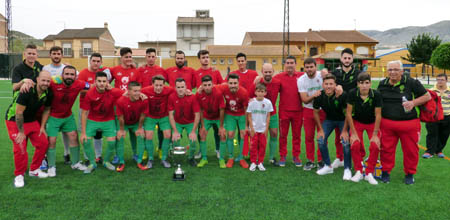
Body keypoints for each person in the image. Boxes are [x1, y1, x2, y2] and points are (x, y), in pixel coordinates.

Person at [377, 60, 431, 185]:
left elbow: (427, 96)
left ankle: (410, 174)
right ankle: (385, 172)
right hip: (387, 124)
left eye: (396, 69)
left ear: (402, 71)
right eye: (390, 70)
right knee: (386, 149)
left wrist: (412, 103)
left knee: (411, 151)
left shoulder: (411, 82)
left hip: (409, 124)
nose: (393, 72)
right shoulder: (382, 84)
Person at [5, 70, 53, 188]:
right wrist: (21, 132)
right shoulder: (26, 91)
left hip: (31, 120)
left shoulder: (48, 92)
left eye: (48, 81)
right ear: (37, 80)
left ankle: (34, 170)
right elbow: (19, 113)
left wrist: (42, 127)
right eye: (43, 80)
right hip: (14, 120)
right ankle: (19, 175)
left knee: (43, 143)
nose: (45, 83)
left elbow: (47, 109)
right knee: (20, 147)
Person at [39, 66, 89, 177]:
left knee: (73, 136)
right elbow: (40, 83)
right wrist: (26, 82)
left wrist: (107, 87)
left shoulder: (79, 84)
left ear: (75, 76)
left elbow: (91, 86)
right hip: (53, 116)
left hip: (68, 116)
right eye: (67, 74)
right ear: (62, 75)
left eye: (72, 74)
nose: (69, 76)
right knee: (51, 140)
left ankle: (75, 163)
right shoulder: (53, 82)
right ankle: (51, 166)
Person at [341, 72, 382, 185]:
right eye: (361, 83)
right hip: (357, 122)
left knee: (375, 145)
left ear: (370, 83)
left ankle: (369, 173)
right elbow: (348, 113)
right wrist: (353, 133)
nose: (364, 85)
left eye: (367, 83)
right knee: (355, 144)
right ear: (358, 84)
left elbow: (378, 115)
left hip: (372, 123)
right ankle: (359, 171)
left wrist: (375, 134)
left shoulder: (376, 94)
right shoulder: (353, 93)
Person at [80, 71, 125, 174]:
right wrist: (83, 132)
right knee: (85, 140)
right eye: (99, 81)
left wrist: (112, 88)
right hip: (93, 120)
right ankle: (92, 163)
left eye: (104, 81)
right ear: (95, 82)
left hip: (108, 120)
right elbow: (84, 113)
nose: (101, 83)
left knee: (112, 141)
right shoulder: (90, 93)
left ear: (107, 82)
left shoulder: (111, 91)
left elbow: (125, 93)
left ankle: (106, 161)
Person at [313, 74, 351, 179]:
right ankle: (327, 166)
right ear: (323, 85)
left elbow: (348, 113)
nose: (328, 86)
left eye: (331, 84)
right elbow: (315, 112)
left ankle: (347, 168)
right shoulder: (319, 96)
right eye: (326, 84)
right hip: (329, 120)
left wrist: (344, 131)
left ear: (335, 85)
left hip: (343, 120)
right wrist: (320, 129)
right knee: (321, 139)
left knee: (345, 141)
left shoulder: (342, 95)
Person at [78, 53, 112, 164]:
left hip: (99, 108)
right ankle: (88, 157)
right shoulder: (83, 73)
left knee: (98, 134)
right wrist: (93, 90)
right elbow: (79, 89)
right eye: (94, 61)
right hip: (85, 108)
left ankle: (98, 156)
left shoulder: (104, 73)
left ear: (101, 62)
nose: (96, 63)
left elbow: (108, 84)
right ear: (90, 61)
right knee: (86, 133)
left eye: (98, 61)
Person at [330, 48, 361, 168]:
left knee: (354, 136)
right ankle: (339, 158)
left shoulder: (358, 74)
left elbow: (361, 89)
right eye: (345, 58)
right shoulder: (334, 73)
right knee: (339, 136)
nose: (347, 60)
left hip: (353, 110)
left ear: (352, 59)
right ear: (341, 59)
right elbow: (328, 86)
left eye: (349, 58)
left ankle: (357, 159)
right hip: (338, 110)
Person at [42, 46, 71, 166]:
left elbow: (76, 77)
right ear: (50, 55)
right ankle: (45, 156)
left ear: (61, 55)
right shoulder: (45, 68)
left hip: (64, 104)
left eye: (58, 54)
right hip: (49, 104)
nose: (56, 56)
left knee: (66, 131)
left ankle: (67, 153)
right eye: (54, 53)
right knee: (48, 132)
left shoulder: (66, 68)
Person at [273, 55, 303, 167]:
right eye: (288, 63)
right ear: (285, 65)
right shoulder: (279, 77)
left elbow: (314, 77)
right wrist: (258, 79)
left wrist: (323, 72)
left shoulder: (301, 76)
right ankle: (283, 156)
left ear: (295, 64)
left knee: (297, 135)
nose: (290, 65)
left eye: (292, 63)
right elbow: (268, 80)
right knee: (283, 135)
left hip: (298, 111)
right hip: (284, 111)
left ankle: (296, 156)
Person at [248, 63, 280, 166]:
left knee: (274, 133)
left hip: (272, 113)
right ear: (262, 72)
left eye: (269, 72)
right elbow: (248, 97)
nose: (268, 74)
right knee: (257, 135)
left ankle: (271, 158)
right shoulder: (257, 82)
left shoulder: (278, 82)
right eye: (265, 72)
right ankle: (254, 156)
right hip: (258, 115)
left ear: (273, 72)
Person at [140, 75, 175, 168]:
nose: (158, 87)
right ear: (152, 84)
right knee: (148, 135)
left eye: (161, 85)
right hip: (150, 116)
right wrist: (139, 94)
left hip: (164, 116)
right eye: (156, 85)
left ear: (164, 85)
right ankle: (150, 159)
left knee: (167, 135)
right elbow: (133, 92)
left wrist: (187, 91)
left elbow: (179, 91)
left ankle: (164, 158)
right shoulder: (145, 90)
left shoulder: (169, 90)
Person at [297, 58, 325, 170]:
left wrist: (326, 72)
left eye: (311, 67)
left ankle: (321, 160)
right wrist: (315, 95)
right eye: (307, 67)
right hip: (308, 109)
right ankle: (310, 160)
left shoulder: (322, 76)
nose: (309, 69)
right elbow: (305, 100)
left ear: (316, 67)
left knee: (322, 136)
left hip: (322, 109)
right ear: (304, 68)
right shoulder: (301, 80)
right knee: (309, 136)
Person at [217, 73, 249, 168]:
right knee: (230, 134)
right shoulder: (223, 88)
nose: (233, 85)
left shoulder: (243, 92)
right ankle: (231, 157)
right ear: (227, 83)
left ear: (238, 83)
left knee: (243, 134)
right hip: (230, 114)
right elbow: (213, 88)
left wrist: (246, 125)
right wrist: (201, 88)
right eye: (231, 83)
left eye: (235, 83)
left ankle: (241, 158)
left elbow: (246, 109)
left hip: (242, 115)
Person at [116, 81, 148, 171]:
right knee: (120, 137)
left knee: (141, 135)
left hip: (136, 123)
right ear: (128, 91)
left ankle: (139, 160)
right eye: (135, 91)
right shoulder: (121, 101)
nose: (137, 93)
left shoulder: (143, 100)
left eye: (139, 91)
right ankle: (121, 162)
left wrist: (140, 128)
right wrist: (122, 130)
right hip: (124, 123)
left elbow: (143, 116)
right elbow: (121, 118)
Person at [196, 75, 227, 167]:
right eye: (205, 85)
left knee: (222, 135)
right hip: (206, 117)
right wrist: (202, 126)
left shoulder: (218, 93)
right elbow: (200, 110)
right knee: (202, 134)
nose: (207, 87)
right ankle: (204, 158)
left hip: (218, 118)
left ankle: (221, 159)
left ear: (212, 84)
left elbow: (222, 110)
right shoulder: (199, 94)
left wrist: (221, 127)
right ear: (201, 85)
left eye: (209, 85)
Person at [168, 78, 201, 167]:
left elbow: (197, 115)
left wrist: (193, 131)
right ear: (175, 88)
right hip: (177, 122)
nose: (180, 89)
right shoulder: (172, 97)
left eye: (182, 87)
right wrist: (175, 131)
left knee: (193, 140)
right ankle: (176, 158)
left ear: (186, 87)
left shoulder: (192, 97)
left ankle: (191, 158)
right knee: (176, 140)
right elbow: (170, 115)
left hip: (190, 122)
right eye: (178, 87)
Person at [247, 83, 273, 171]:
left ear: (265, 93)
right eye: (258, 91)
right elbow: (249, 116)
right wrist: (251, 128)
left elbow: (268, 116)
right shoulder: (251, 102)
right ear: (255, 92)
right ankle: (253, 162)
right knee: (253, 146)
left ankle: (260, 162)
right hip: (254, 129)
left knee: (262, 146)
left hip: (263, 129)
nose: (260, 93)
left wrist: (266, 129)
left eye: (262, 91)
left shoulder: (268, 102)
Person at [423, 73, 450, 159]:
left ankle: (439, 150)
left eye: (442, 80)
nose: (440, 82)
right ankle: (429, 152)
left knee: (444, 134)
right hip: (433, 117)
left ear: (446, 80)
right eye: (438, 80)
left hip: (447, 116)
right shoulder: (430, 91)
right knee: (432, 134)